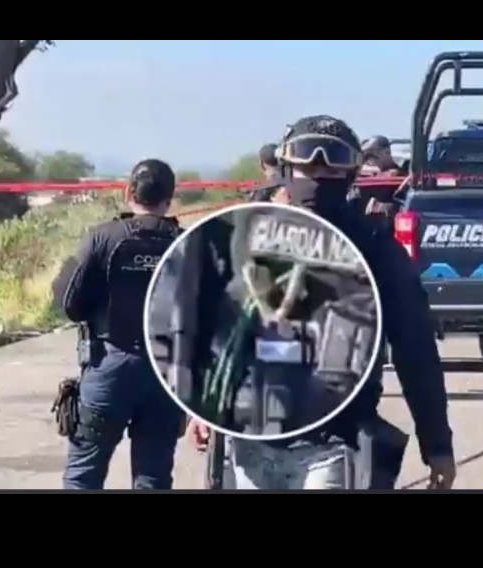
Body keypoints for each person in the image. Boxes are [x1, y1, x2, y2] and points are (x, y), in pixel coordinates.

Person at [193, 115, 455, 490]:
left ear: (350, 175)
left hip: (334, 446)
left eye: (330, 168)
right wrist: (201, 406)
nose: (317, 178)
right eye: (308, 167)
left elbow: (416, 350)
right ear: (286, 170)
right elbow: (223, 332)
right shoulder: (249, 239)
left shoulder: (375, 250)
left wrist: (437, 443)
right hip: (249, 439)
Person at [50, 159, 185, 489]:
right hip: (167, 373)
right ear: (170, 197)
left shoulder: (102, 238)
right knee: (153, 478)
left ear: (128, 192)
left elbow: (68, 303)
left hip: (108, 366)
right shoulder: (187, 243)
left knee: (84, 476)